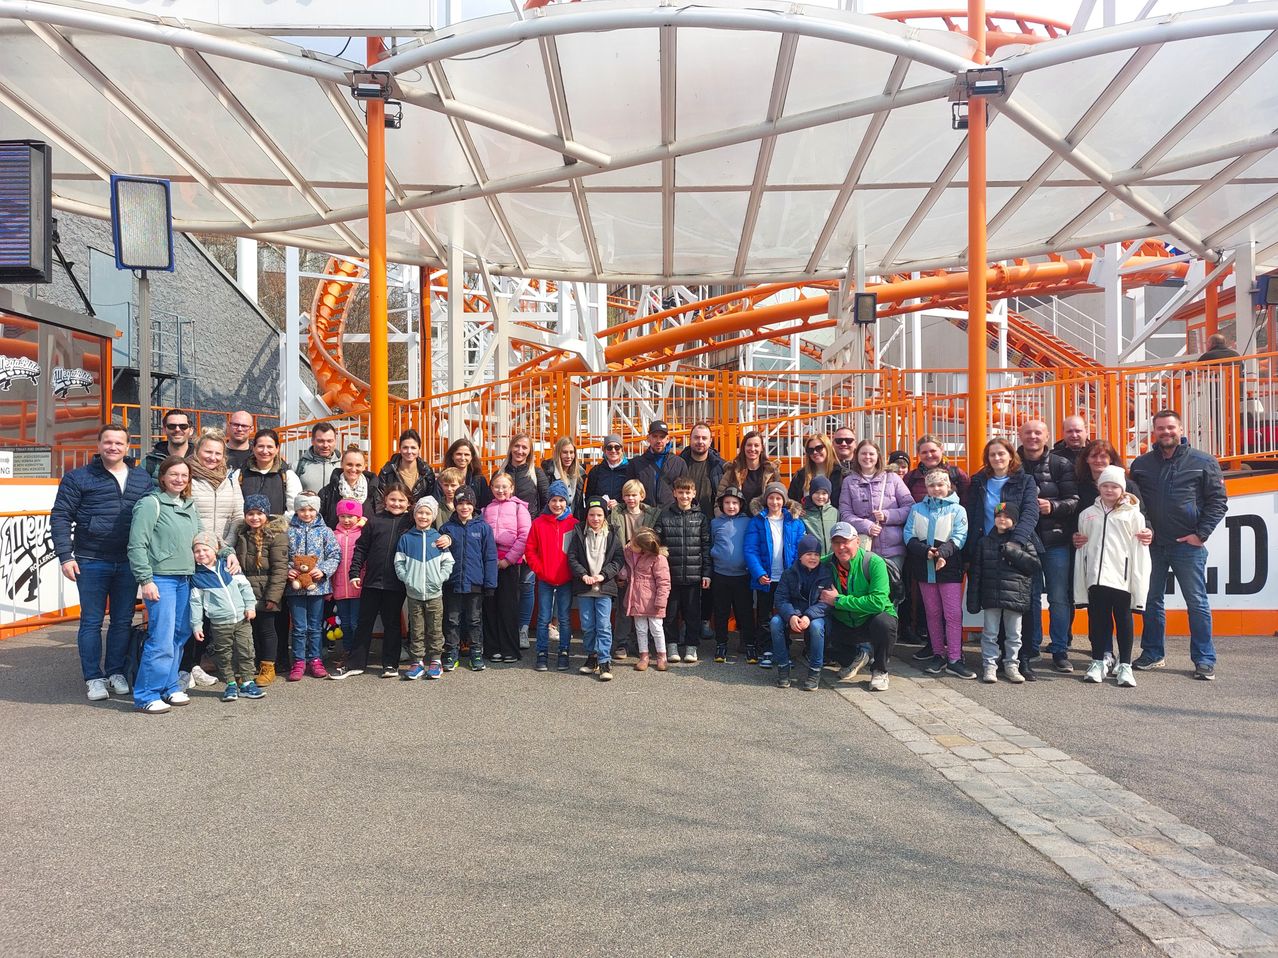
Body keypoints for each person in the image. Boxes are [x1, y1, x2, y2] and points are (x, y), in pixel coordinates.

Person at [51, 423, 154, 702]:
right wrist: (65, 556)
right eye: (108, 442)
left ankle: (115, 671)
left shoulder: (141, 478)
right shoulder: (78, 478)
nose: (113, 447)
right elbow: (60, 516)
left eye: (119, 443)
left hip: (129, 561)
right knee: (91, 622)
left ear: (127, 447)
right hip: (90, 559)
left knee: (122, 620)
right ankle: (93, 678)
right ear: (99, 445)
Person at [1129, 410, 1228, 680]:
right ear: (1154, 431)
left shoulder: (1203, 461)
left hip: (1188, 545)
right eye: (1160, 428)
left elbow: (1218, 502)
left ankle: (1204, 659)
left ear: (1180, 429)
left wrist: (1201, 534)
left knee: (1196, 602)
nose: (1166, 432)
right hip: (1153, 545)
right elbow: (1135, 504)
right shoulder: (1141, 464)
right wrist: (1145, 530)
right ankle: (1152, 654)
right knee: (1151, 601)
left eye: (1170, 427)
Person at [127, 456, 201, 714]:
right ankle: (147, 693)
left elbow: (201, 538)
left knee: (179, 636)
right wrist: (145, 579)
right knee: (161, 638)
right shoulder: (151, 504)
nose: (179, 479)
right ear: (162, 477)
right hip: (161, 579)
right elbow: (137, 544)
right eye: (174, 474)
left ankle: (169, 686)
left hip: (185, 578)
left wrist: (225, 552)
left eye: (184, 475)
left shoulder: (189, 505)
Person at [964, 437, 1041, 679]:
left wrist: (1015, 542)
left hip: (1017, 548)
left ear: (1010, 456)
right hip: (988, 548)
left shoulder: (1025, 480)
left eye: (1001, 453)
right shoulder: (979, 481)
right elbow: (973, 514)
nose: (997, 458)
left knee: (1022, 605)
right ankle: (993, 661)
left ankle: (1022, 659)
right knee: (994, 605)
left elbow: (1030, 512)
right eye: (992, 454)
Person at [1074, 466, 1151, 688]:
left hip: (1121, 578)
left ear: (1122, 488)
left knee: (1124, 620)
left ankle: (1125, 665)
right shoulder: (1087, 514)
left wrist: (1137, 580)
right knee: (1099, 620)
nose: (1109, 490)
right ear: (1099, 488)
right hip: (1096, 579)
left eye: (1114, 486)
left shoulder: (1133, 515)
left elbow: (1139, 550)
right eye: (1105, 485)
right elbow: (1082, 548)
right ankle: (1098, 661)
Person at [1017, 419, 1080, 673]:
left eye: (1038, 433)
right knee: (1029, 597)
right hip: (1025, 541)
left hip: (1056, 540)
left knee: (1058, 597)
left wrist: (1053, 507)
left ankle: (1059, 649)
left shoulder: (1061, 464)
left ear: (1047, 436)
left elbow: (1075, 500)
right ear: (1020, 436)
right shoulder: (1012, 462)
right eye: (1028, 433)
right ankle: (1031, 648)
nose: (1033, 437)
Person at [337, 482, 413, 679]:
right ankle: (356, 663)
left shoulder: (410, 523)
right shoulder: (374, 521)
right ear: (385, 501)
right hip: (371, 581)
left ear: (409, 503)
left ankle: (390, 664)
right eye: (393, 499)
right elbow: (361, 548)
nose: (396, 503)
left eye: (401, 500)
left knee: (392, 624)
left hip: (396, 583)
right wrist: (354, 572)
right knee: (364, 622)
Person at [903, 469, 971, 678]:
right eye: (931, 485)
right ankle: (937, 654)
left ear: (948, 486)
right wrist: (926, 551)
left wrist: (942, 553)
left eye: (940, 484)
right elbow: (908, 534)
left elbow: (960, 536)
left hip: (949, 567)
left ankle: (955, 657)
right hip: (925, 567)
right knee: (932, 613)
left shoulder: (958, 510)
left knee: (952, 614)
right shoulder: (916, 509)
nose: (936, 489)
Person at [966, 502, 1040, 684]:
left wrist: (1012, 552)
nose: (1002, 519)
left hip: (1015, 598)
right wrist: (973, 600)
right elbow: (976, 573)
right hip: (991, 597)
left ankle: (1011, 665)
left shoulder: (1023, 542)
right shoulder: (984, 542)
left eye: (1007, 516)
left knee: (1014, 634)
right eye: (999, 516)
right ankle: (989, 665)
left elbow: (1034, 566)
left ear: (1014, 520)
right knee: (990, 633)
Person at [820, 522, 898, 692]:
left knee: (884, 623)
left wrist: (838, 601)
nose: (841, 547)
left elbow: (877, 603)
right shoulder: (825, 563)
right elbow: (801, 571)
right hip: (844, 621)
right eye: (836, 543)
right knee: (816, 630)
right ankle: (854, 658)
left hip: (871, 619)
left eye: (846, 542)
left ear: (857, 541)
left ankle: (880, 670)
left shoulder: (874, 562)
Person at [190, 533, 263, 702]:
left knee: (246, 651)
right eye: (197, 550)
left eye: (205, 549)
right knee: (224, 655)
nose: (201, 553)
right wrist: (196, 625)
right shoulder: (197, 577)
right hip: (219, 623)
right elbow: (195, 603)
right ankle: (230, 684)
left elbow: (245, 588)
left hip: (241, 619)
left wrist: (250, 606)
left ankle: (247, 682)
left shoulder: (228, 567)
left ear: (215, 550)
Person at [744, 482, 806, 669]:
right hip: (766, 578)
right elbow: (750, 550)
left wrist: (794, 572)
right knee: (764, 615)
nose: (775, 501)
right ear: (766, 500)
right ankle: (766, 650)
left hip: (787, 578)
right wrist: (759, 573)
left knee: (787, 614)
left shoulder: (794, 521)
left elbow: (800, 549)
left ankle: (784, 649)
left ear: (784, 500)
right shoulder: (758, 521)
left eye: (779, 498)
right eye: (771, 497)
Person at [395, 497, 455, 681]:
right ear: (414, 515)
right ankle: (417, 661)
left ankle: (436, 660)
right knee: (417, 629)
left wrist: (440, 578)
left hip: (435, 593)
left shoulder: (438, 539)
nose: (423, 516)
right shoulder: (406, 539)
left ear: (433, 516)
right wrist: (407, 579)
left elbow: (448, 562)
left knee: (435, 628)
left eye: (428, 513)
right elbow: (399, 563)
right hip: (413, 593)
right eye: (420, 512)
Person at [440, 487, 498, 672]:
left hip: (475, 583)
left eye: (468, 503)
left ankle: (476, 652)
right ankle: (451, 651)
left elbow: (490, 557)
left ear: (474, 505)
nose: (464, 507)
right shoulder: (447, 528)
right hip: (452, 582)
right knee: (452, 619)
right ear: (455, 505)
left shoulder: (483, 528)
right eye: (461, 503)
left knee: (474, 619)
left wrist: (490, 584)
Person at [653, 476, 710, 662]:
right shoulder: (665, 515)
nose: (684, 495)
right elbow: (656, 541)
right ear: (674, 493)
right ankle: (672, 646)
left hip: (694, 576)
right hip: (670, 575)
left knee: (692, 614)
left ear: (694, 493)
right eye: (681, 492)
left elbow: (706, 547)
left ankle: (691, 647)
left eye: (688, 492)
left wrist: (706, 573)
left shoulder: (701, 518)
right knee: (670, 613)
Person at [499, 433, 549, 647]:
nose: (520, 451)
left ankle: (522, 629)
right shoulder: (501, 472)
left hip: (529, 539)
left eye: (524, 448)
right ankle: (507, 628)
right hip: (504, 542)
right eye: (517, 446)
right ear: (511, 447)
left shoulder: (536, 473)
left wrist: (534, 531)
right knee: (507, 587)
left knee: (526, 585)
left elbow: (547, 504)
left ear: (530, 452)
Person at [284, 492, 339, 681]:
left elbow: (334, 555)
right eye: (302, 509)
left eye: (311, 510)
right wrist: (287, 570)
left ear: (317, 510)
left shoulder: (325, 532)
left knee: (315, 626)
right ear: (296, 510)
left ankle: (315, 659)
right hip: (295, 587)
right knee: (299, 626)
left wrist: (323, 571)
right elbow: (281, 555)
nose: (307, 514)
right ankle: (299, 660)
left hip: (317, 587)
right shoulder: (288, 531)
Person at [567, 497, 623, 682]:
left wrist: (604, 575)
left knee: (604, 625)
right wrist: (583, 575)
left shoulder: (613, 533)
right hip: (585, 587)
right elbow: (572, 558)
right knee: (587, 625)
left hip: (604, 587)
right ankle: (592, 656)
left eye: (599, 515)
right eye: (592, 514)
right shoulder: (579, 533)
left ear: (605, 516)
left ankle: (605, 660)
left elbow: (617, 560)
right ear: (587, 515)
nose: (595, 518)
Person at [234, 495, 287, 686]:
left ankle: (268, 666)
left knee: (267, 630)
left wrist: (273, 596)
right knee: (248, 632)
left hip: (266, 592)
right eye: (250, 513)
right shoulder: (241, 535)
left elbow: (280, 569)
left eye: (259, 513)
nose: (255, 517)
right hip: (245, 591)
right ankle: (250, 667)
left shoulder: (276, 536)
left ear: (266, 514)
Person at [525, 480, 578, 672]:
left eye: (561, 500)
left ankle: (564, 651)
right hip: (545, 578)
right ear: (548, 502)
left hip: (565, 579)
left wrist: (572, 572)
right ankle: (542, 652)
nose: (557, 504)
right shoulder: (538, 523)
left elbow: (577, 552)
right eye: (554, 500)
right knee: (543, 617)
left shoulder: (574, 524)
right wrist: (540, 570)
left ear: (567, 502)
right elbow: (530, 550)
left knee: (564, 617)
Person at [771, 534, 835, 691]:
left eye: (816, 554)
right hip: (793, 612)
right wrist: (791, 615)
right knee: (775, 623)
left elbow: (827, 602)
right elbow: (780, 599)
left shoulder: (826, 573)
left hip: (816, 615)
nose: (813, 558)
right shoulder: (789, 573)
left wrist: (809, 615)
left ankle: (814, 671)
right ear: (800, 556)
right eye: (809, 554)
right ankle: (783, 667)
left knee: (817, 627)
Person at [838, 439, 914, 570]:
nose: (867, 457)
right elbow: (845, 513)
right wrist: (866, 525)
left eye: (871, 454)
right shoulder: (849, 482)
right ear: (857, 456)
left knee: (891, 588)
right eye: (863, 453)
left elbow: (910, 507)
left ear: (878, 456)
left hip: (892, 549)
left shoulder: (892, 478)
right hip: (863, 547)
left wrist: (887, 515)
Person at [482, 472, 531, 663]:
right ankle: (493, 647)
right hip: (489, 563)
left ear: (511, 488)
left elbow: (524, 536)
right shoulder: (486, 509)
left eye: (504, 486)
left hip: (509, 563)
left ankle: (510, 648)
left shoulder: (519, 508)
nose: (500, 490)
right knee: (490, 605)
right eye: (496, 486)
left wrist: (508, 560)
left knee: (508, 606)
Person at [609, 478, 659, 661]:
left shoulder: (652, 515)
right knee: (624, 607)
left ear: (642, 496)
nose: (631, 499)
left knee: (643, 606)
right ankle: (621, 643)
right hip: (624, 565)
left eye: (634, 495)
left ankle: (641, 643)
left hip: (644, 567)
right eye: (627, 495)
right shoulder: (616, 515)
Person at [709, 486, 752, 663]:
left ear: (741, 504)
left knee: (745, 612)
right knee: (721, 612)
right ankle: (721, 644)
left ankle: (749, 644)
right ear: (721, 504)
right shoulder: (715, 523)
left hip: (743, 576)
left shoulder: (748, 522)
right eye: (727, 503)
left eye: (735, 503)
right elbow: (711, 543)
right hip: (721, 575)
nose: (731, 506)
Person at [624, 527, 671, 672]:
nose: (631, 545)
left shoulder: (659, 559)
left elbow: (664, 582)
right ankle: (644, 655)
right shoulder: (629, 553)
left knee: (656, 628)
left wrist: (661, 601)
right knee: (640, 629)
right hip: (636, 598)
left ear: (644, 548)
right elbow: (626, 569)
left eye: (634, 544)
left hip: (653, 600)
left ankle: (662, 655)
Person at [188, 429, 244, 545]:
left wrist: (227, 544)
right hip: (196, 548)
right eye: (208, 452)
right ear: (197, 451)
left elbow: (238, 516)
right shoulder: (187, 477)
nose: (213, 458)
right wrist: (202, 545)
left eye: (218, 453)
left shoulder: (230, 479)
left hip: (224, 548)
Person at [329, 498, 365, 674]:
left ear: (358, 517)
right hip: (339, 587)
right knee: (344, 623)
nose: (347, 520)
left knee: (355, 622)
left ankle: (358, 653)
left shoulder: (363, 534)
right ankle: (348, 651)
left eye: (351, 516)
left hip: (358, 587)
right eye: (343, 516)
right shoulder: (334, 535)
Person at [234, 428, 301, 519]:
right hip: (247, 530)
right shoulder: (240, 474)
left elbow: (294, 509)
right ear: (253, 448)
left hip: (277, 531)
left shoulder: (287, 475)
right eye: (260, 446)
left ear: (277, 448)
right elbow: (234, 507)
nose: (265, 451)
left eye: (270, 447)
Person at [628, 420, 688, 507]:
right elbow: (629, 490)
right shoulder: (636, 463)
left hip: (670, 514)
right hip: (644, 514)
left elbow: (685, 490)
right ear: (648, 438)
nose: (658, 440)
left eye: (662, 437)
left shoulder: (679, 463)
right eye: (655, 436)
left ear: (667, 439)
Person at [319, 444, 379, 529]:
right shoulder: (327, 492)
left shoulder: (374, 491)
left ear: (364, 466)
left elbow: (379, 520)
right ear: (342, 464)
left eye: (358, 465)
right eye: (349, 464)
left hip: (365, 541)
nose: (354, 469)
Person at [1074, 439, 1144, 512]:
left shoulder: (1128, 486)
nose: (1098, 460)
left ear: (1110, 459)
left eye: (1103, 456)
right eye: (1093, 456)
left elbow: (1141, 515)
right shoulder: (1080, 486)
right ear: (1086, 459)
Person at [717, 430, 779, 509]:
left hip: (764, 519)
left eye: (756, 445)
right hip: (738, 519)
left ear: (762, 448)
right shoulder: (732, 471)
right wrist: (722, 519)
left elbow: (780, 497)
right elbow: (719, 498)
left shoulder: (771, 472)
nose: (752, 449)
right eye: (749, 445)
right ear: (743, 447)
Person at [901, 436, 971, 504]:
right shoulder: (910, 478)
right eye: (924, 452)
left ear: (941, 449)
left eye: (933, 451)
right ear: (919, 454)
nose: (929, 455)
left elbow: (967, 503)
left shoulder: (956, 474)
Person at [377, 429, 436, 507]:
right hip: (393, 516)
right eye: (405, 447)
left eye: (413, 448)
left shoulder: (427, 472)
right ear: (400, 449)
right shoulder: (387, 472)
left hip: (419, 516)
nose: (409, 451)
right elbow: (379, 500)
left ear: (419, 449)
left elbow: (431, 500)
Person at [679, 422, 726, 518]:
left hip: (711, 522)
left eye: (704, 438)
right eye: (696, 437)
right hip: (683, 522)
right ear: (690, 439)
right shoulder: (678, 464)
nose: (700, 441)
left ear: (710, 441)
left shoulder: (721, 466)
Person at [541, 436, 586, 519]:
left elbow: (578, 504)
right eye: (565, 452)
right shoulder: (549, 473)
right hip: (553, 521)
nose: (569, 456)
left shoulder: (580, 474)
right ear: (558, 453)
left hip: (572, 522)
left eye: (571, 452)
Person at [585, 433, 630, 512]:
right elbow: (589, 497)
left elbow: (635, 495)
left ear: (622, 450)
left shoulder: (630, 470)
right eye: (609, 447)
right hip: (601, 516)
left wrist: (620, 504)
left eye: (617, 447)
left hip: (623, 515)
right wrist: (600, 503)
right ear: (604, 450)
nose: (613, 451)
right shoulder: (595, 471)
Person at [144, 408, 194, 477]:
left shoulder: (202, 460)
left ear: (191, 431)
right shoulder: (149, 463)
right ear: (164, 430)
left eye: (183, 426)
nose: (177, 429)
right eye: (172, 426)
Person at [788, 433, 837, 502]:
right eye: (810, 450)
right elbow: (792, 499)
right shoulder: (800, 475)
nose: (815, 452)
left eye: (819, 448)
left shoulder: (839, 474)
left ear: (828, 448)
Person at [443, 438, 491, 508]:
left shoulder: (479, 480)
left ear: (471, 457)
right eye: (459, 454)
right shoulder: (443, 478)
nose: (462, 458)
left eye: (466, 454)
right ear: (452, 456)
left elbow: (484, 505)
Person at [295, 421, 341, 493]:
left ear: (335, 441)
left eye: (329, 441)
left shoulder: (344, 465)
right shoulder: (297, 467)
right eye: (320, 441)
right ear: (312, 441)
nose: (325, 445)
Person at [802, 475, 838, 553]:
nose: (820, 496)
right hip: (813, 557)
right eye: (817, 493)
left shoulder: (834, 512)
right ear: (811, 493)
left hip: (831, 557)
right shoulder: (803, 513)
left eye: (824, 493)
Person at [829, 425, 859, 512]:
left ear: (855, 443)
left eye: (848, 440)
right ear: (833, 443)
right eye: (839, 441)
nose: (843, 444)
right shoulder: (826, 466)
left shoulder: (864, 465)